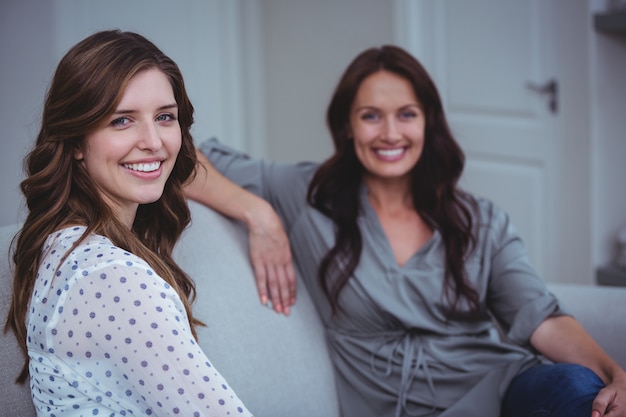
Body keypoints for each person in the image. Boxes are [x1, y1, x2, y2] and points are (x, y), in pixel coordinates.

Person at [186, 45, 626, 417]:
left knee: (576, 389)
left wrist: (613, 375)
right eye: (371, 116)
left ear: (428, 122)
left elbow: (540, 317)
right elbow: (185, 157)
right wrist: (256, 213)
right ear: (347, 125)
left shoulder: (481, 220)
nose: (390, 133)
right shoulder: (307, 194)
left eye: (407, 114)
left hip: (504, 389)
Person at [5, 30, 253, 416]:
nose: (153, 141)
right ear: (73, 142)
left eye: (165, 117)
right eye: (122, 120)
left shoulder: (64, 246)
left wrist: (258, 214)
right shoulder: (110, 278)